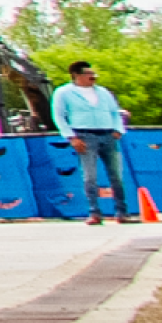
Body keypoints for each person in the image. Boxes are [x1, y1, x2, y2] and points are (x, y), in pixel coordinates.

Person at [49, 63, 136, 216]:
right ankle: (94, 211)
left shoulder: (103, 92)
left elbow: (115, 112)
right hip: (84, 134)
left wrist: (118, 129)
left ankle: (122, 212)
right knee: (90, 175)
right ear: (77, 75)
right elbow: (59, 116)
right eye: (88, 73)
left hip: (107, 134)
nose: (93, 77)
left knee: (116, 174)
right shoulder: (64, 92)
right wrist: (71, 137)